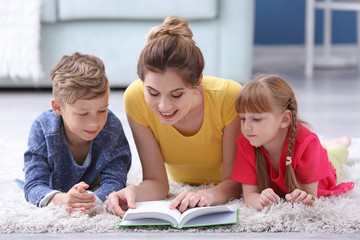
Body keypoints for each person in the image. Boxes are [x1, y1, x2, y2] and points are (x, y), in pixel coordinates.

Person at [106, 16, 242, 217]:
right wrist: (131, 192)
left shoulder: (229, 97)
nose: (164, 106)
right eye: (153, 93)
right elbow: (157, 183)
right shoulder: (135, 98)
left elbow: (236, 182)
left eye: (176, 94)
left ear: (198, 84)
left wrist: (208, 195)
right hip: (179, 179)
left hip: (223, 182)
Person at [22, 52, 131, 214]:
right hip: (58, 192)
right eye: (83, 114)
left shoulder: (111, 127)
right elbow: (33, 186)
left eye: (102, 110)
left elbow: (116, 180)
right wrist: (63, 200)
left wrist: (89, 201)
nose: (95, 122)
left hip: (91, 193)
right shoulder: (42, 128)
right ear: (58, 107)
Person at [231, 74, 354, 211]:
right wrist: (260, 200)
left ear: (284, 119)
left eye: (257, 119)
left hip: (321, 164)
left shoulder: (307, 144)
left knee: (335, 155)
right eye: (243, 118)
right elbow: (249, 195)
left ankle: (340, 143)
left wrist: (304, 197)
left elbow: (311, 196)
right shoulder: (246, 143)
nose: (247, 127)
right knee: (323, 148)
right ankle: (327, 144)